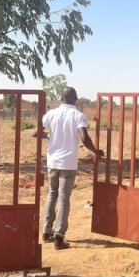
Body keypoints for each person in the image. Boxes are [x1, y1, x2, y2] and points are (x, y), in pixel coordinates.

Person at [41, 87, 105, 250]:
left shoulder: (51, 114)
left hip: (52, 162)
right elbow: (84, 138)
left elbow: (37, 132)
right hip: (68, 163)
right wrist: (96, 151)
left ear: (61, 98)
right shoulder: (78, 116)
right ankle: (59, 236)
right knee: (64, 198)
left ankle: (46, 231)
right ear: (75, 99)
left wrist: (48, 136)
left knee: (52, 194)